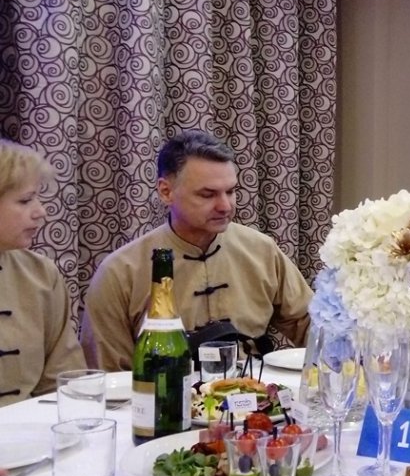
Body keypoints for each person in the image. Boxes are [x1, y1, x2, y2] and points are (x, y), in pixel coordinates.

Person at [80, 130, 312, 371]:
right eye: (207, 194)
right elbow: (107, 375)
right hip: (162, 392)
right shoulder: (121, 271)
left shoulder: (261, 250)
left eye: (231, 191)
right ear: (166, 192)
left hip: (254, 390)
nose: (225, 206)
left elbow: (313, 326)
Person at [0, 140, 87, 406]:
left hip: (33, 429)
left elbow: (65, 383)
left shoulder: (41, 275)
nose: (41, 212)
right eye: (25, 200)